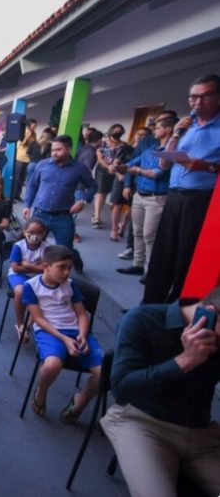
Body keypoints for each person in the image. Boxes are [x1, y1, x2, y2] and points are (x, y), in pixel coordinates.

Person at [100, 286, 220, 497]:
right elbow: (122, 388)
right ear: (210, 312)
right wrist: (184, 361)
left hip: (201, 433)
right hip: (142, 422)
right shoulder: (144, 319)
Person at [144, 74, 220, 304]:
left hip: (201, 200)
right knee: (162, 254)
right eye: (194, 97)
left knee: (186, 256)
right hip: (174, 196)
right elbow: (164, 164)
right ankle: (149, 306)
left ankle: (175, 308)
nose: (198, 102)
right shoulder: (187, 127)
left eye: (205, 96)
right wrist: (175, 134)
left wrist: (206, 166)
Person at [21, 245, 103, 423]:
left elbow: (81, 314)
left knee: (104, 373)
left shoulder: (70, 285)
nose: (67, 273)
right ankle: (40, 393)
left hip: (75, 330)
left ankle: (80, 401)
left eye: (69, 268)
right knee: (52, 365)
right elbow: (39, 319)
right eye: (62, 267)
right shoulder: (31, 286)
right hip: (49, 331)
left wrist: (82, 334)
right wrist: (65, 340)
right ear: (46, 266)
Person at [23, 135, 96, 272]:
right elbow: (32, 185)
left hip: (63, 217)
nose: (54, 153)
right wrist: (27, 205)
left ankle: (75, 258)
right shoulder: (42, 165)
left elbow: (93, 186)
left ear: (68, 149)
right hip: (40, 214)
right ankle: (40, 273)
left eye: (58, 150)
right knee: (33, 243)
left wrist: (83, 200)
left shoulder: (79, 168)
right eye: (52, 150)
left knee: (65, 249)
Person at [117, 117, 172, 277]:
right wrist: (119, 166)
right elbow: (131, 163)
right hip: (140, 196)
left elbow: (156, 173)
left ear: (168, 130)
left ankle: (150, 270)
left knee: (150, 235)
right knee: (137, 232)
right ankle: (138, 264)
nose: (154, 131)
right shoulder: (150, 150)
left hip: (156, 198)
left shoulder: (170, 153)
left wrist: (138, 171)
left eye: (158, 128)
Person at [8, 219, 49, 339]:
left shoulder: (47, 248)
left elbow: (46, 269)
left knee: (43, 292)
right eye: (31, 232)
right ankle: (20, 323)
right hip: (18, 276)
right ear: (25, 231)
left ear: (43, 234)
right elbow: (15, 268)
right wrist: (37, 268)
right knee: (20, 291)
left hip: (38, 277)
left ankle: (31, 323)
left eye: (39, 233)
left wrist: (27, 265)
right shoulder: (18, 246)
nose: (34, 236)